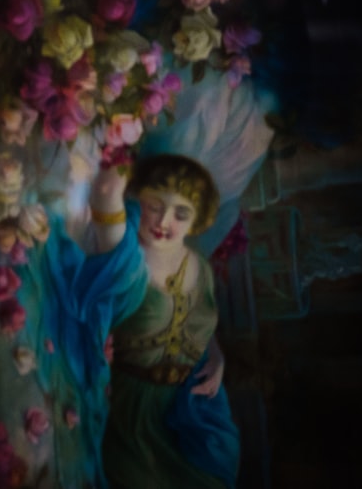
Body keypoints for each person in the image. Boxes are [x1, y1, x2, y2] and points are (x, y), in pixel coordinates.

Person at [88, 154, 241, 488]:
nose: (164, 220)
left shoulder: (199, 268)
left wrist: (216, 357)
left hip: (185, 410)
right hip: (130, 411)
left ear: (196, 220)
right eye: (155, 205)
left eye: (180, 213)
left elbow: (199, 326)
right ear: (138, 199)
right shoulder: (125, 255)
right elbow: (104, 192)